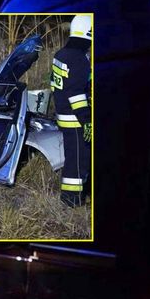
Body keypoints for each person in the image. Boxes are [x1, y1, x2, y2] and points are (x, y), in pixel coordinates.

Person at [50, 14, 92, 207]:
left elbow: (61, 86)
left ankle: (75, 198)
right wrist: (87, 120)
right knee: (78, 163)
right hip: (76, 119)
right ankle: (71, 202)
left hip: (63, 114)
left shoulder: (61, 54)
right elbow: (76, 92)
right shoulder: (79, 58)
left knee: (74, 159)